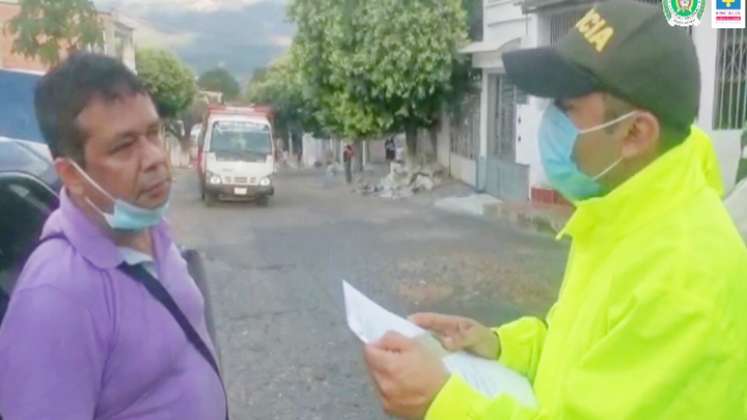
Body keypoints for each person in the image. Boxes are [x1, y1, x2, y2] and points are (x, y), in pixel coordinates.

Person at [363, 2, 747, 419]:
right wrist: (497, 344)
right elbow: (582, 353)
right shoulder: (621, 221)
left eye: (567, 109)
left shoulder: (683, 276)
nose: (547, 122)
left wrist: (443, 404)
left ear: (636, 133)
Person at [0, 54, 227, 419]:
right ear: (71, 174)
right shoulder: (57, 296)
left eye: (153, 133)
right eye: (124, 146)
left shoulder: (152, 230)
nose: (154, 158)